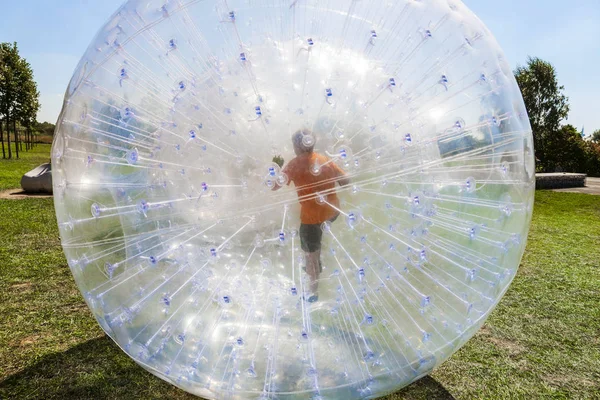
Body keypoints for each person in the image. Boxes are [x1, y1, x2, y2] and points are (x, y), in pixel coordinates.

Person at [273, 129, 349, 302]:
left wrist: (275, 168)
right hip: (332, 212)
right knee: (317, 239)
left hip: (311, 218)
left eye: (293, 145)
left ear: (298, 145)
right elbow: (345, 182)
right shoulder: (325, 160)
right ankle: (316, 264)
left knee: (310, 255)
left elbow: (274, 186)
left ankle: (312, 293)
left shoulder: (294, 164)